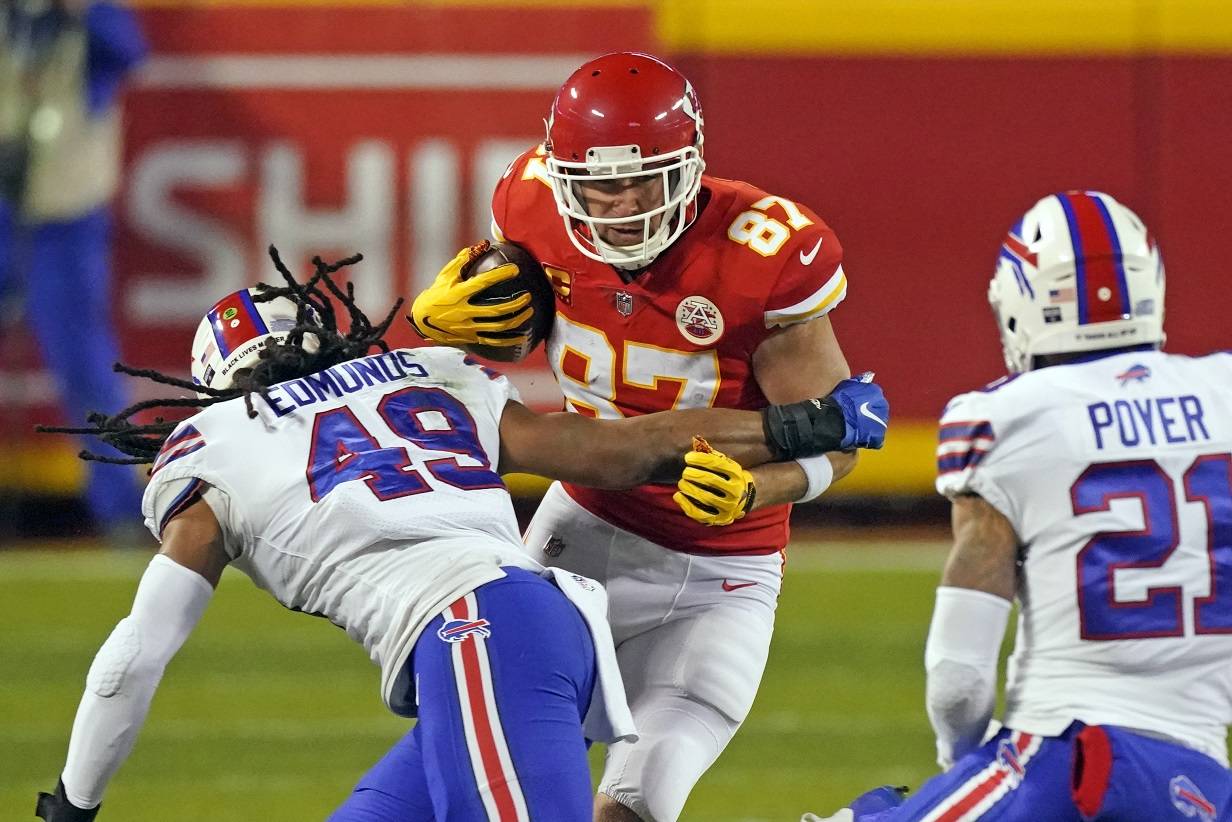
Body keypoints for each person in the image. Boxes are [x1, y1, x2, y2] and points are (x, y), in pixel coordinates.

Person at [33, 248, 882, 822]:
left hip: (475, 634)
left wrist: (70, 806)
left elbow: (134, 658)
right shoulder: (423, 378)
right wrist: (808, 424)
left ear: (217, 387)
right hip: (520, 629)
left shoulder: (213, 448)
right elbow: (626, 448)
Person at [409, 51, 877, 821]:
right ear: (561, 178)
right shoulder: (528, 205)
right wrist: (439, 325)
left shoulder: (763, 251)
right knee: (473, 764)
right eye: (597, 186)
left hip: (724, 570)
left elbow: (841, 438)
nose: (621, 204)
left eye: (643, 180)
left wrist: (762, 488)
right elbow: (507, 326)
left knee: (633, 807)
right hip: (581, 528)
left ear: (690, 167)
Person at [807, 190, 1232, 822]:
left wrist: (962, 765)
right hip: (1201, 785)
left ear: (1022, 302)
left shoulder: (1008, 416)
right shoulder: (1222, 392)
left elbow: (960, 677)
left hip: (1067, 765)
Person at [1, 0, 147, 537]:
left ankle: (119, 510)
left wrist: (79, 13)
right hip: (3, 198)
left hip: (63, 207)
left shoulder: (90, 11)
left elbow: (128, 52)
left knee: (82, 360)